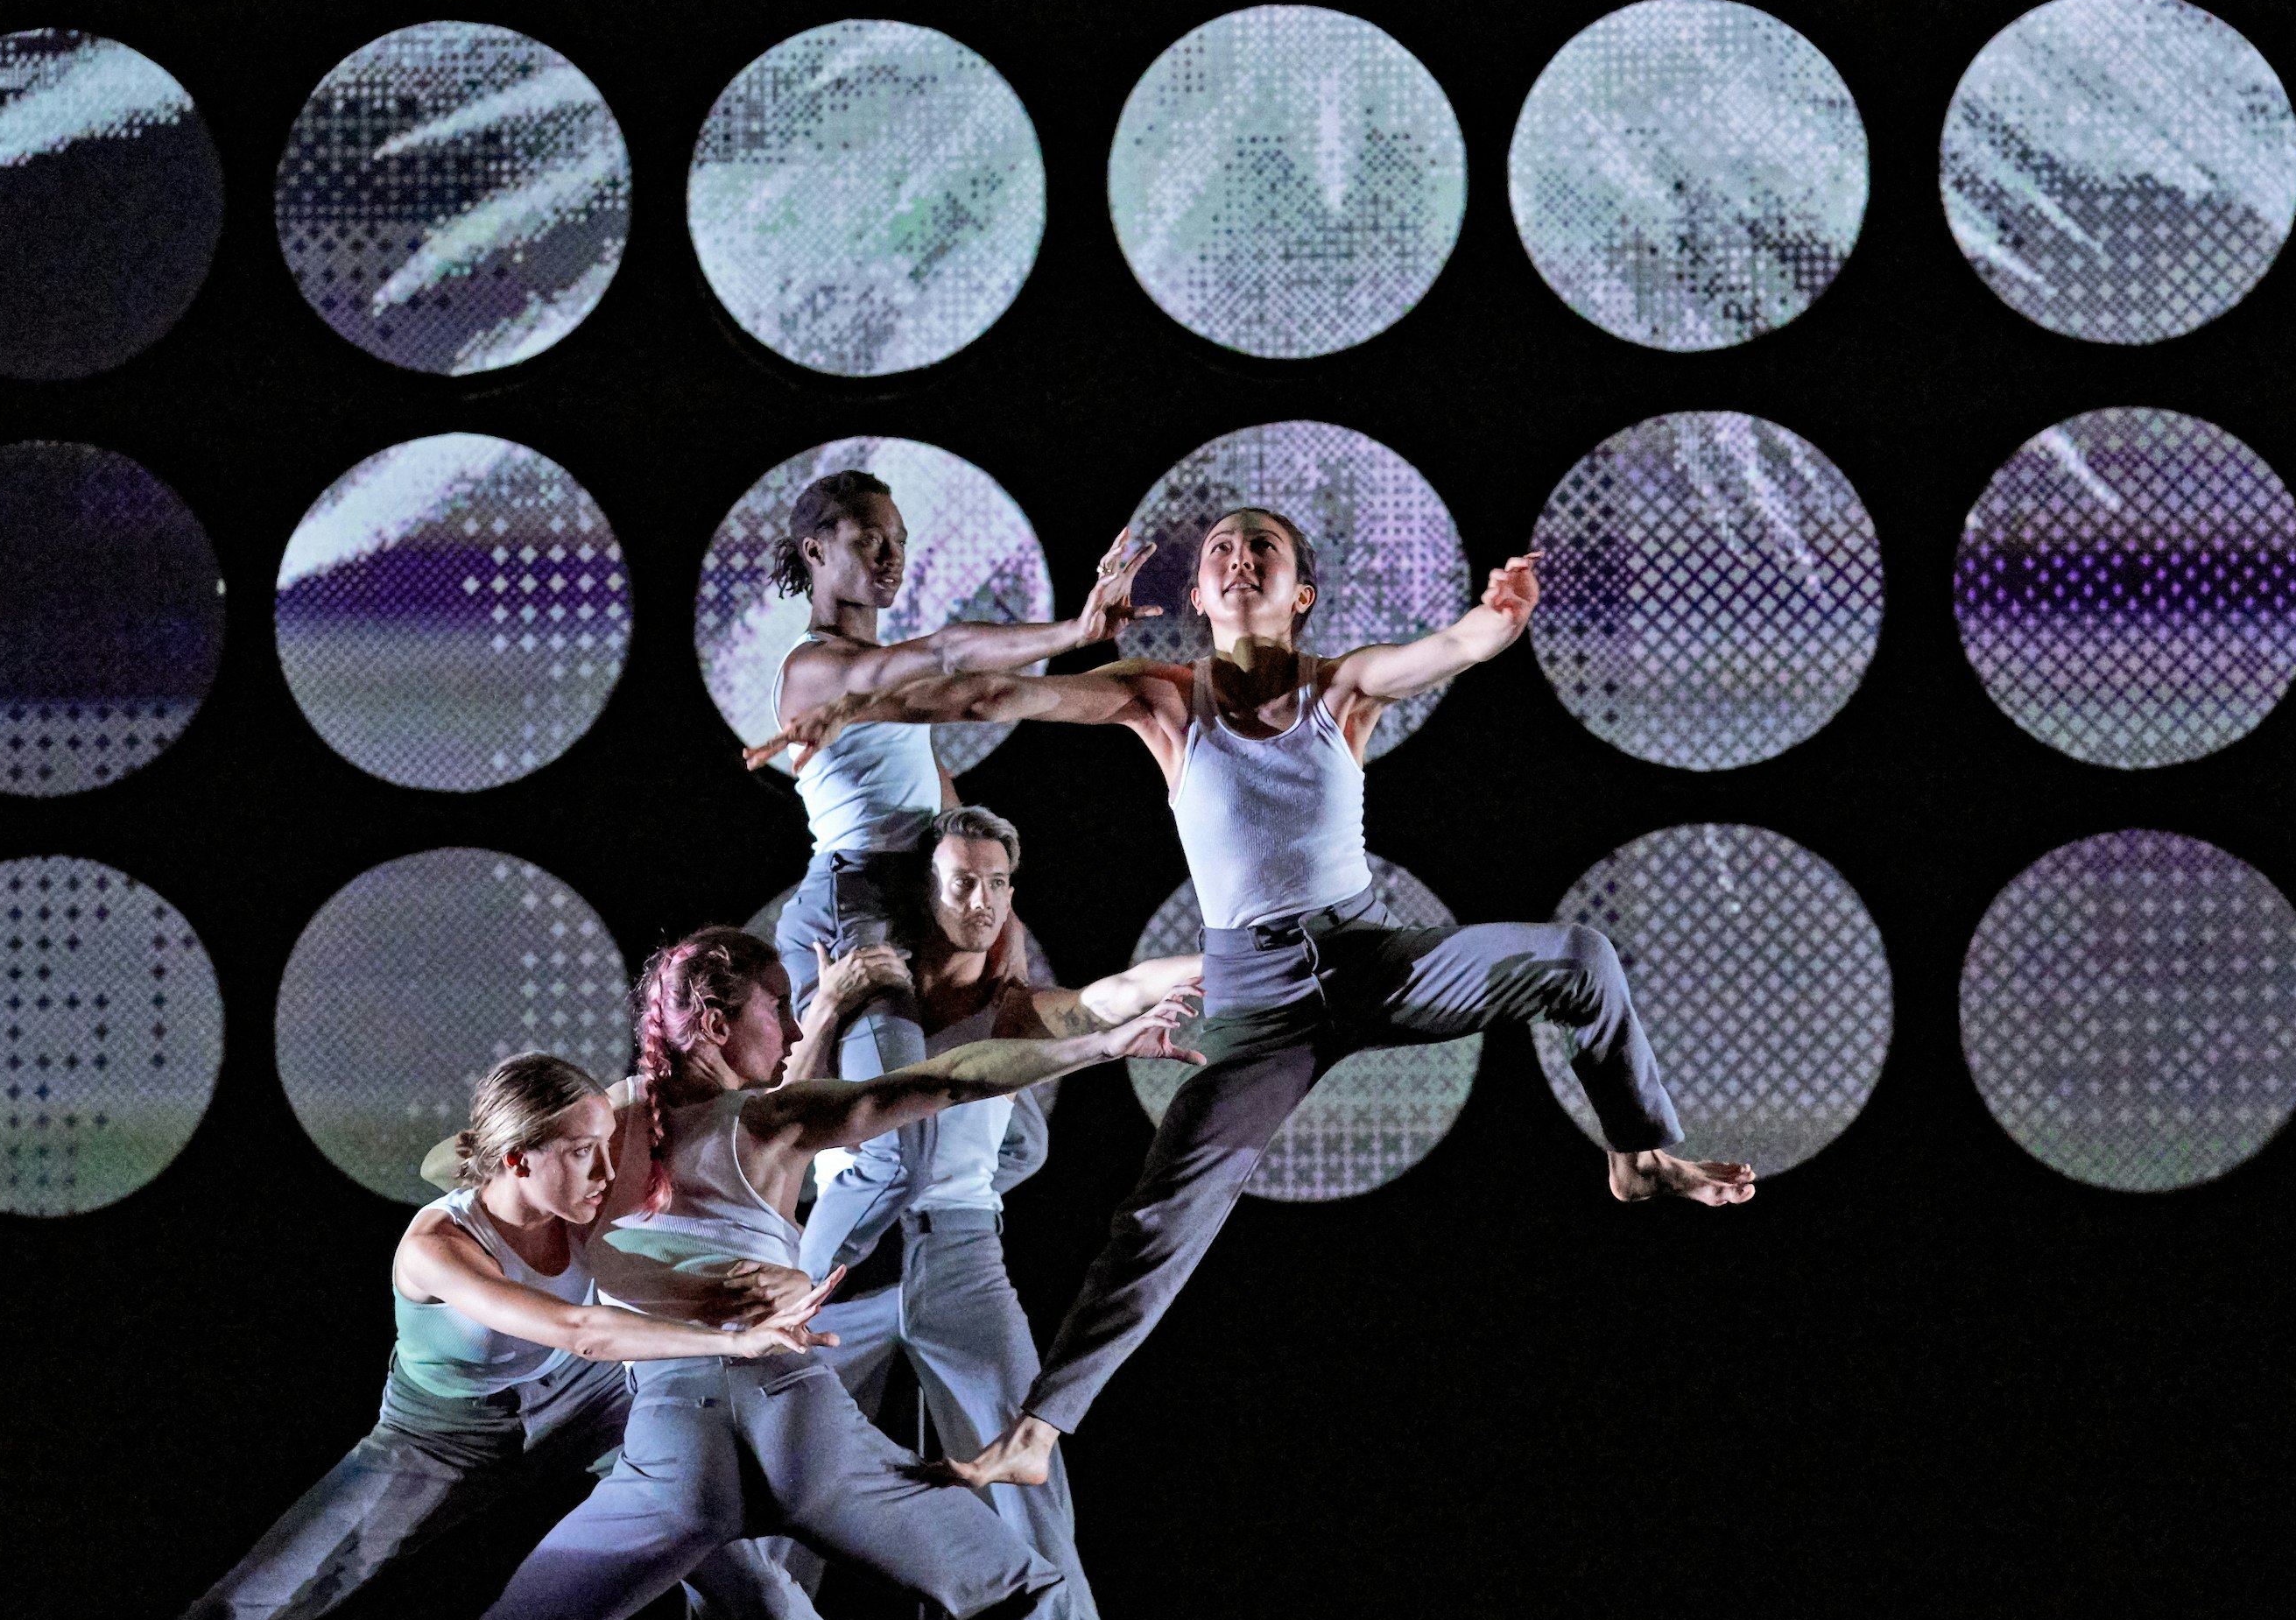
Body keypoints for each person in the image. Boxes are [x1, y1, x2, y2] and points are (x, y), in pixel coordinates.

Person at [750, 511, 1758, 1493]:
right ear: (1196, 596)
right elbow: (992, 698)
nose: (1237, 560)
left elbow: (1450, 647)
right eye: (1220, 552)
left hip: (1372, 958)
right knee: (1161, 1218)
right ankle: (1035, 1430)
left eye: (1261, 549)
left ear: (1299, 593)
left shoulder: (1341, 687)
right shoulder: (1164, 700)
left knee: (1577, 956)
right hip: (1256, 996)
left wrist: (1500, 617)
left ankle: (1636, 1154)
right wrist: (858, 709)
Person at [268, 927, 1197, 1620]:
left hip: (670, 1450)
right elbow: (953, 1078)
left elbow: (453, 1163)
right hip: (797, 1426)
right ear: (716, 1023)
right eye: (778, 1008)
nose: (794, 1026)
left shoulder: (591, 1135)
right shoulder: (775, 1118)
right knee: (1029, 1595)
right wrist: (1098, 1046)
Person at [0, 1051, 840, 1620]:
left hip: (584, 1410)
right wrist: (730, 1341)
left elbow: (690, 1234)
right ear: (518, 1161)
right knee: (235, 1615)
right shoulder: (436, 1245)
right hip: (434, 1443)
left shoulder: (585, 1203)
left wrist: (761, 1290)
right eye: (580, 1153)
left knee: (755, 1583)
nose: (607, 1171)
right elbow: (583, 1330)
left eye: (607, 1148)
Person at [644, 806, 1188, 1620]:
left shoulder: (1015, 1005)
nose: (978, 901)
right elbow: (777, 1118)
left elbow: (1105, 1005)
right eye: (958, 881)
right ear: (923, 891)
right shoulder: (854, 997)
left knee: (1033, 1503)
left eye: (995, 882)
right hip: (835, 1272)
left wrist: (1196, 970)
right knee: (775, 1517)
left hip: (958, 1261)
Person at [764, 468, 1153, 1278]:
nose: (891, 555)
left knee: (1017, 1141)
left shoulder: (889, 678)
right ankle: (774, 1310)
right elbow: (957, 669)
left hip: (924, 902)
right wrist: (1076, 630)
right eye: (871, 538)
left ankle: (902, 1296)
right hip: (857, 906)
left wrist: (1002, 924)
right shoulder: (817, 672)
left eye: (900, 542)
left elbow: (950, 812)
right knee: (893, 1160)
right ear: (816, 549)